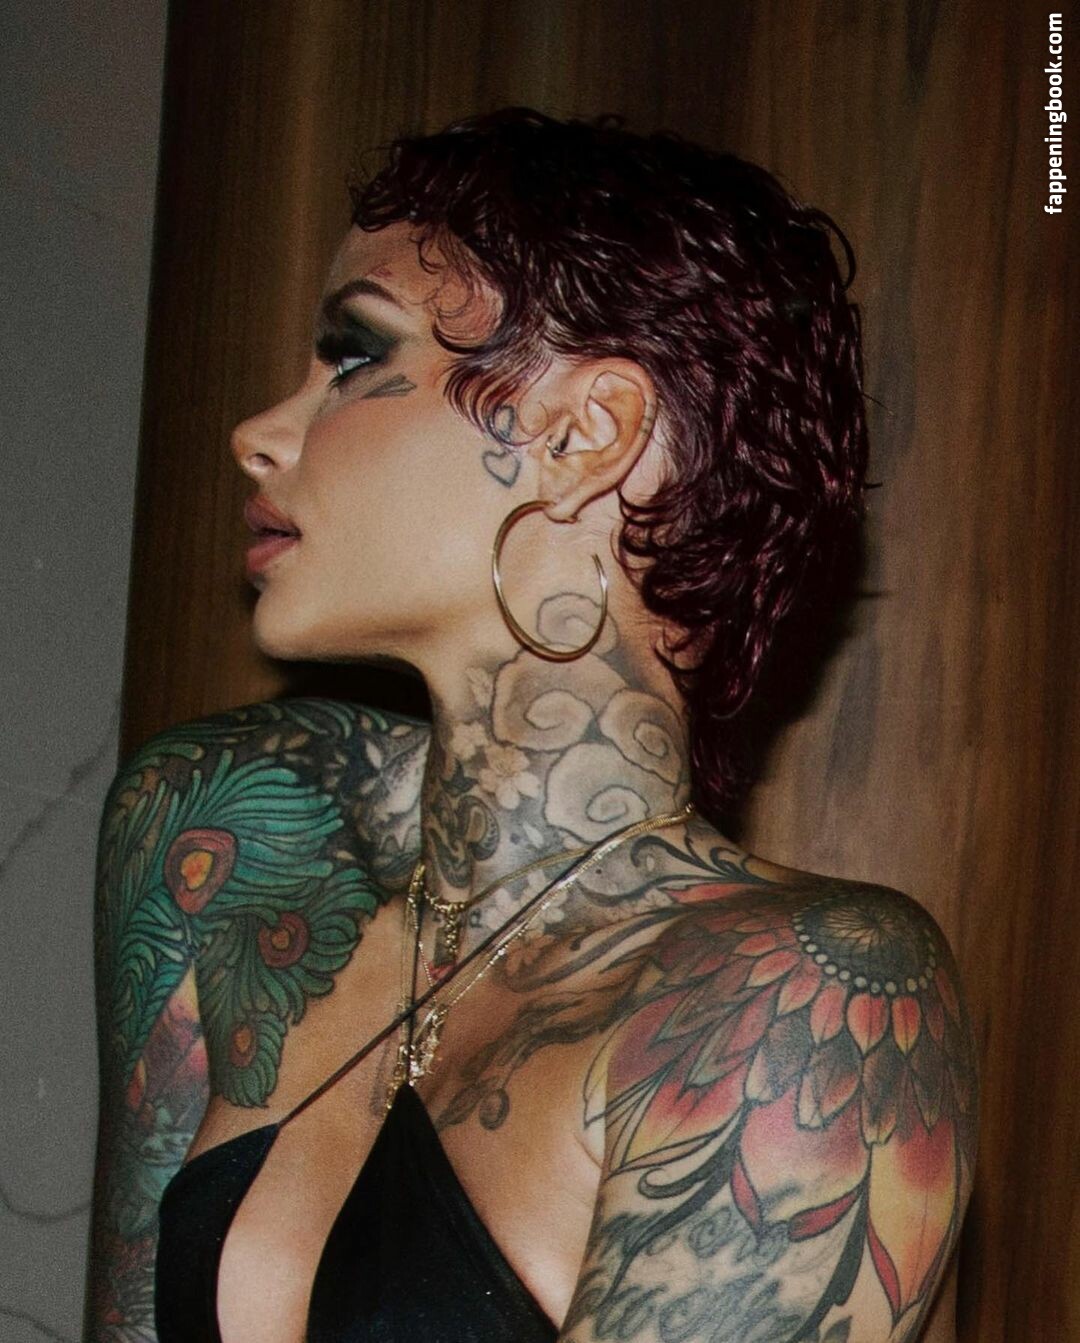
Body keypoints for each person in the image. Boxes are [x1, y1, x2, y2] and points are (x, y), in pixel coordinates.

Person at [86, 107, 978, 1343]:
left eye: (355, 356)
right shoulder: (230, 828)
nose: (260, 433)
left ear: (584, 432)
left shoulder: (807, 1005)